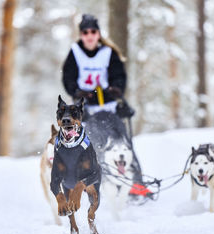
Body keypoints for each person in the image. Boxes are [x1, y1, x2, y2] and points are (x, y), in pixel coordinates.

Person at [61, 14, 152, 203]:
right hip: (87, 112)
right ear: (81, 35)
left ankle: (136, 185)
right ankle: (92, 187)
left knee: (124, 145)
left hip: (110, 109)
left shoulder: (108, 53)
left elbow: (119, 75)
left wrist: (117, 88)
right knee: (93, 148)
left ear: (98, 33)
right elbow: (68, 78)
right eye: (85, 32)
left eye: (93, 31)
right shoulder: (75, 53)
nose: (89, 36)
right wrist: (77, 91)